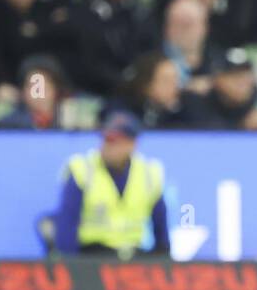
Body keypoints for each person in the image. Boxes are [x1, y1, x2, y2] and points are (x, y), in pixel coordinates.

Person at [54, 111, 170, 258]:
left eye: (115, 142)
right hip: (92, 254)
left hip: (133, 253)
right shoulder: (82, 169)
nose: (107, 147)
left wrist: (165, 260)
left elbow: (160, 223)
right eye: (106, 140)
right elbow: (67, 222)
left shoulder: (149, 173)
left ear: (132, 144)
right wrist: (69, 264)